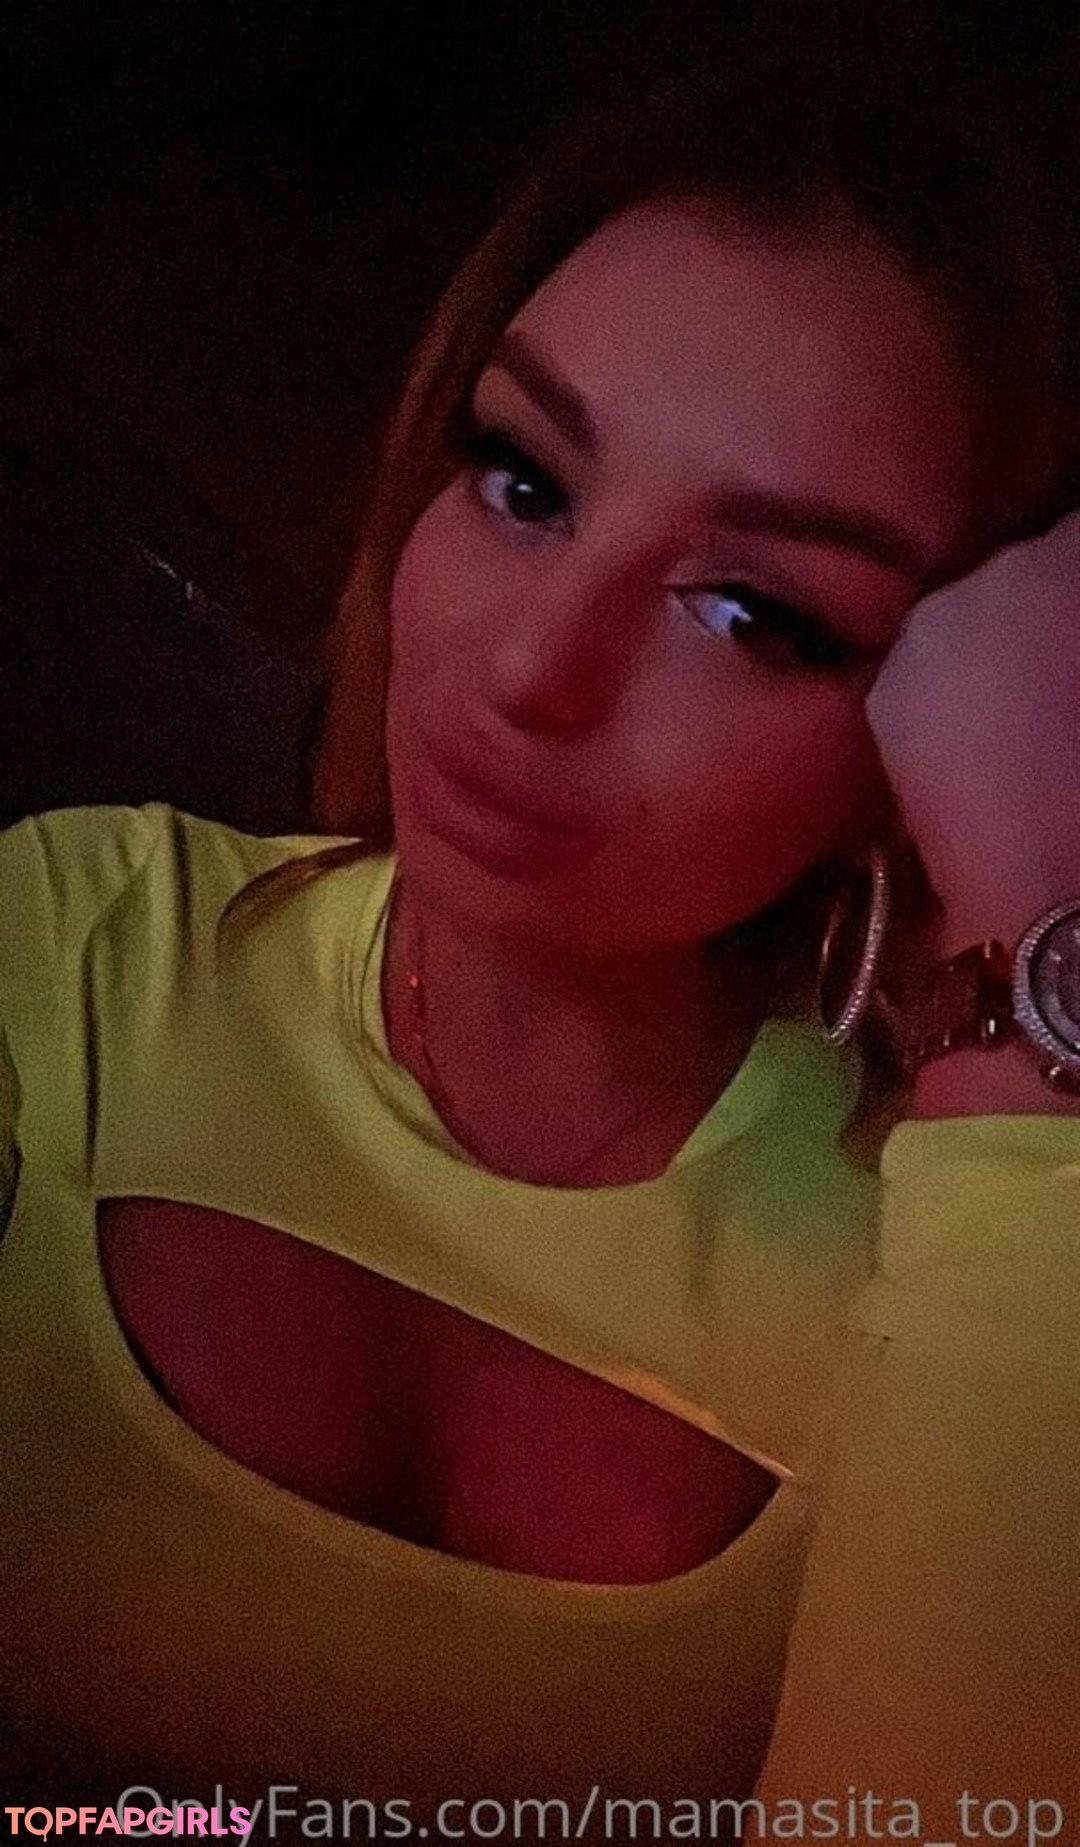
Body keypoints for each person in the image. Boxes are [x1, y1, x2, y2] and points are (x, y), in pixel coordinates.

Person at [2, 25, 1080, 1839]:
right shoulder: (77, 952)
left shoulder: (985, 1245)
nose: (528, 670)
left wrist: (1037, 988)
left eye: (751, 612)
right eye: (524, 479)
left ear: (937, 737)